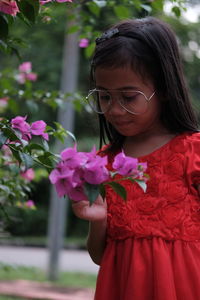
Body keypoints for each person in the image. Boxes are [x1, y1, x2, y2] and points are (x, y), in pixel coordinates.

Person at [72, 16, 200, 300]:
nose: (114, 110)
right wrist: (98, 220)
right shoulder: (101, 164)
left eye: (128, 97)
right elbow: (100, 256)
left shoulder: (194, 152)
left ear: (164, 89)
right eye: (104, 96)